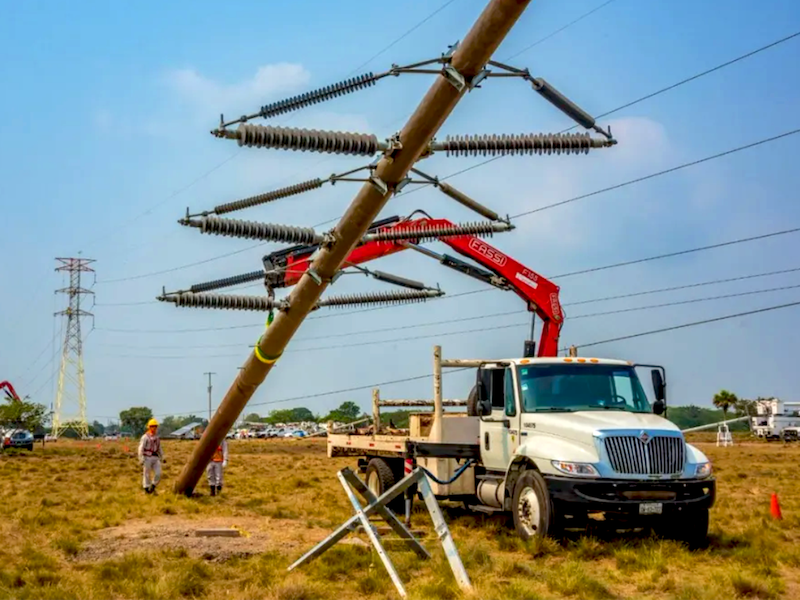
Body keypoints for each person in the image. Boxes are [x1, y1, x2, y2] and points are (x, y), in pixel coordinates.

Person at [138, 418, 165, 494]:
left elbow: (159, 448)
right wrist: (141, 458)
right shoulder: (145, 437)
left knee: (158, 473)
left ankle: (153, 486)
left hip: (155, 457)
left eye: (155, 426)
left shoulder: (157, 437)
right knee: (146, 474)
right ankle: (147, 489)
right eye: (152, 426)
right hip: (147, 457)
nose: (154, 428)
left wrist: (163, 457)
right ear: (149, 427)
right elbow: (141, 448)